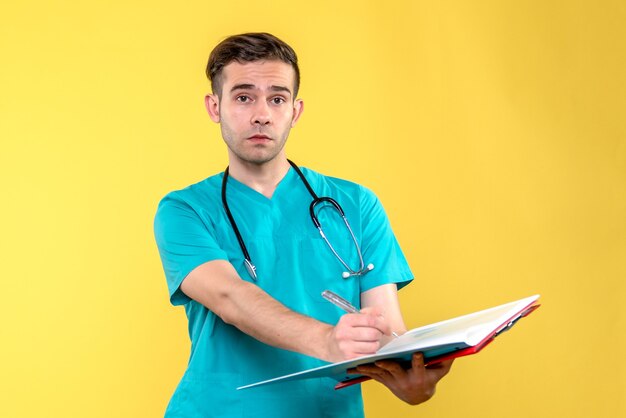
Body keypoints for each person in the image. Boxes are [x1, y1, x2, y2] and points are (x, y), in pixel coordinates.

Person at [154, 32, 453, 418]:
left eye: (277, 98)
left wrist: (411, 381)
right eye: (244, 97)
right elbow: (230, 298)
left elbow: (386, 329)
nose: (261, 113)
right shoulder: (184, 210)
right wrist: (328, 340)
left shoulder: (357, 205)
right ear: (215, 107)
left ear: (295, 111)